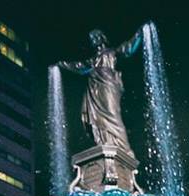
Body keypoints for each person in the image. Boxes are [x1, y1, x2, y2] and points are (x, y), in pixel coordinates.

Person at [58, 27, 145, 157]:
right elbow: (79, 67)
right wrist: (62, 64)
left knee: (112, 114)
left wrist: (139, 34)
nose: (94, 40)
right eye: (92, 39)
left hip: (108, 85)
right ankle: (103, 142)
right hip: (94, 89)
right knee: (96, 117)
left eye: (96, 37)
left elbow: (128, 48)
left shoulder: (111, 52)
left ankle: (123, 147)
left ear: (102, 38)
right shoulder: (93, 60)